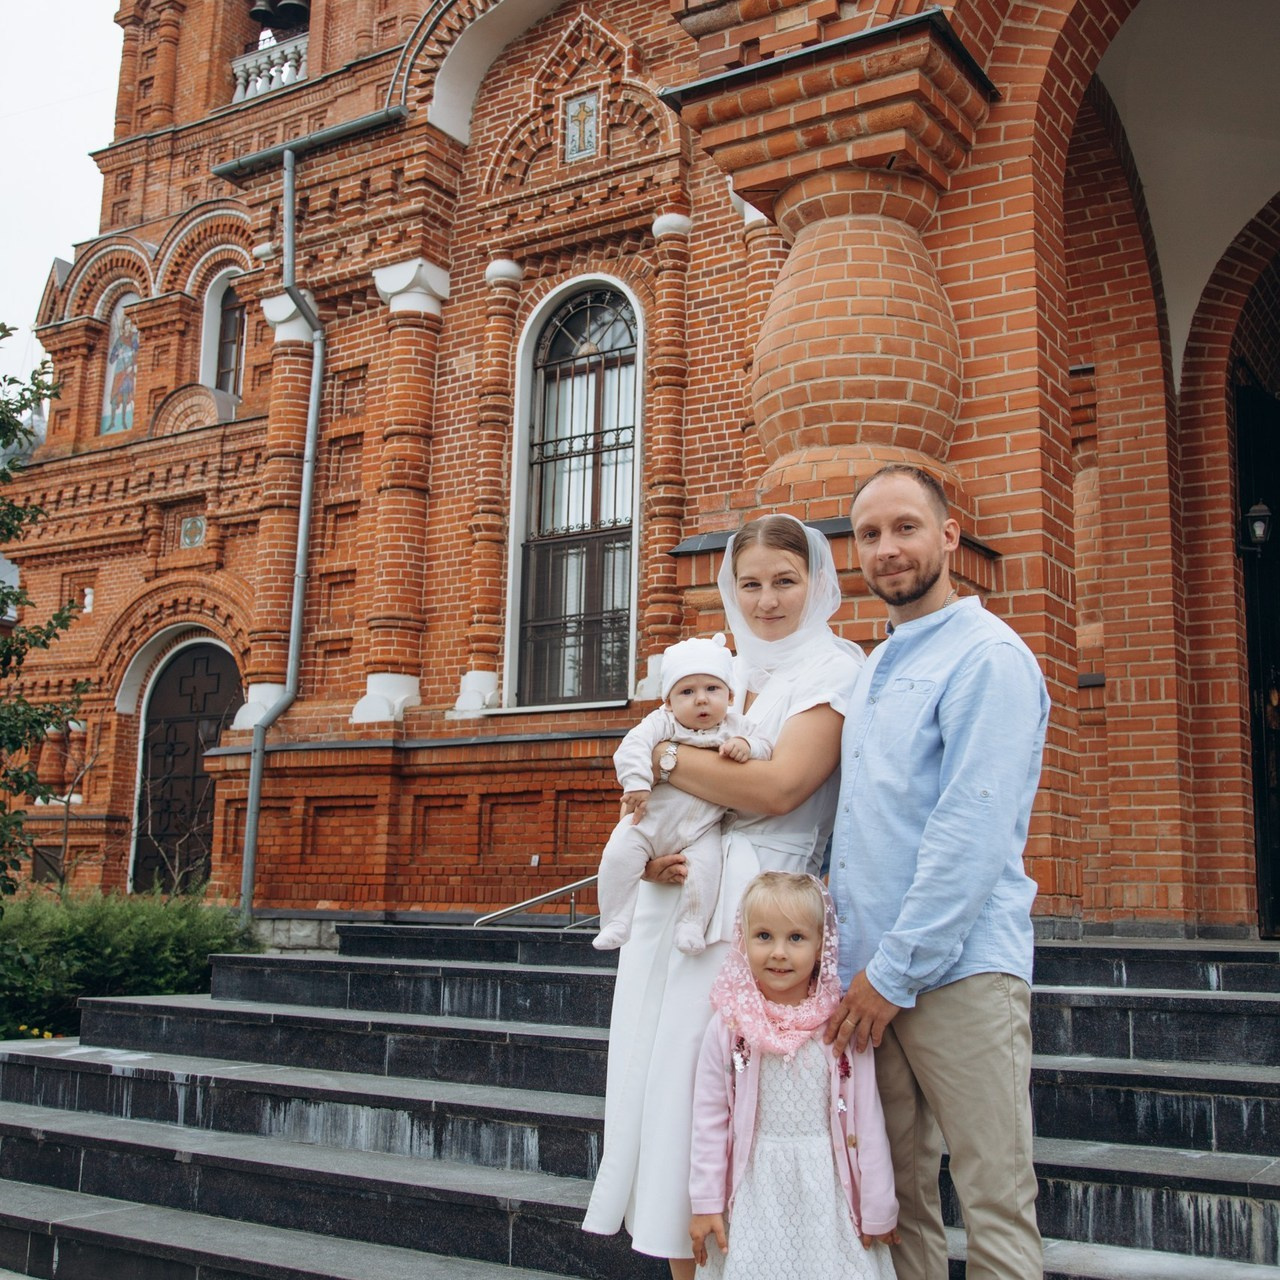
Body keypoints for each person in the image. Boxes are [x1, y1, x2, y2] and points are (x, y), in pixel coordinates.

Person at [583, 514, 865, 1279]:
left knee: (727, 1100)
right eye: (751, 583)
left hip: (765, 910)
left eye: (785, 581)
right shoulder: (723, 668)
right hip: (679, 901)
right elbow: (656, 795)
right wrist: (650, 850)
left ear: (817, 583)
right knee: (669, 1100)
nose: (766, 600)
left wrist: (665, 758)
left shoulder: (833, 670)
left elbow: (778, 788)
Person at [826, 464, 1050, 1280]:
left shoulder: (988, 658)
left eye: (905, 528)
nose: (887, 549)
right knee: (898, 1207)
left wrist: (892, 974)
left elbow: (971, 834)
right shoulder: (875, 665)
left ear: (949, 536)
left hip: (956, 974)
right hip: (866, 986)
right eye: (870, 534)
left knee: (995, 1201)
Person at [689, 871, 899, 1279]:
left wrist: (878, 1206)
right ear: (743, 940)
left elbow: (868, 1117)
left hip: (828, 1190)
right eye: (764, 936)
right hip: (756, 1189)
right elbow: (709, 1121)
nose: (779, 953)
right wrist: (706, 1203)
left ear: (821, 945)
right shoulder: (731, 1025)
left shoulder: (838, 1025)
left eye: (796, 938)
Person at [594, 634, 773, 955]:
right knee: (618, 855)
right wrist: (637, 783)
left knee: (706, 870)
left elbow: (767, 746)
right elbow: (632, 747)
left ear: (730, 696)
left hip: (702, 830)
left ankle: (691, 925)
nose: (701, 699)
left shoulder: (736, 726)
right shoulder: (663, 722)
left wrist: (748, 746)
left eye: (712, 689)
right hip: (649, 822)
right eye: (687, 691)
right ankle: (615, 920)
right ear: (668, 701)